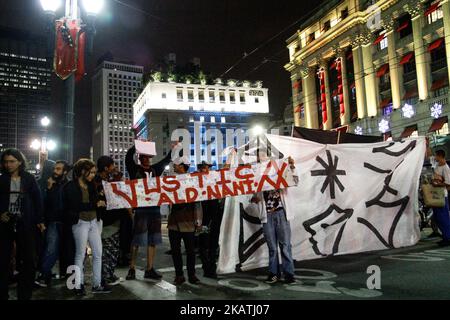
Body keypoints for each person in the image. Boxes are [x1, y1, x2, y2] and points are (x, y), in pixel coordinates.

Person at [245, 149, 297, 284]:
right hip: (267, 215)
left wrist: (292, 167)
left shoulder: (279, 169)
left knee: (285, 245)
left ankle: (289, 274)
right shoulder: (257, 176)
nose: (261, 159)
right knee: (272, 247)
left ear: (269, 157)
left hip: (281, 213)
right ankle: (274, 273)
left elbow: (295, 181)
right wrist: (254, 198)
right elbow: (253, 196)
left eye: (263, 156)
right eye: (258, 157)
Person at [0, 149, 45, 300]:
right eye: (6, 161)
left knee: (28, 260)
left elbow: (38, 200)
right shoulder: (1, 180)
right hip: (5, 225)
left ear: (20, 162)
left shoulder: (28, 179)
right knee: (3, 259)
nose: (8, 165)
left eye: (12, 161)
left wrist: (39, 220)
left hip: (25, 223)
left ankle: (24, 295)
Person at [125, 142, 173, 281]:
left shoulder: (155, 169)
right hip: (141, 209)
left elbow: (166, 160)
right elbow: (128, 157)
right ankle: (132, 268)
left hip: (154, 208)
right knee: (136, 240)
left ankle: (150, 268)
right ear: (139, 157)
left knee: (153, 239)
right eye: (144, 157)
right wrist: (137, 145)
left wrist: (174, 147)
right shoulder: (134, 169)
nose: (146, 159)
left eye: (148, 157)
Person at [63, 159, 111, 295]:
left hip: (94, 221)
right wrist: (95, 204)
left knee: (98, 254)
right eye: (91, 172)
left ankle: (97, 285)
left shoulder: (91, 185)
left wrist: (100, 199)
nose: (93, 175)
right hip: (80, 223)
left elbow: (94, 201)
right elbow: (75, 206)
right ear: (82, 171)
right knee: (80, 254)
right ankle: (78, 285)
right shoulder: (70, 186)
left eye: (94, 172)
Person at [35, 160, 71, 287]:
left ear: (65, 171)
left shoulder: (68, 185)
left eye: (58, 169)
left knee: (63, 249)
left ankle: (60, 274)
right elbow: (44, 204)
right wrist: (49, 189)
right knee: (51, 248)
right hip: (53, 221)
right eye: (55, 168)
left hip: (66, 222)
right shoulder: (50, 184)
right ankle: (44, 275)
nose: (55, 171)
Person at [168, 156, 202, 285]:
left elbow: (197, 202)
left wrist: (198, 220)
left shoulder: (192, 181)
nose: (174, 166)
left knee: (190, 251)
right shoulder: (171, 180)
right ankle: (179, 275)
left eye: (176, 165)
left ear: (182, 166)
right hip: (174, 223)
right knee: (176, 251)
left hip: (188, 222)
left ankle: (191, 275)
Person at [95, 156, 127, 286]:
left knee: (112, 249)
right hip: (106, 222)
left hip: (112, 221)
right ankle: (106, 276)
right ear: (106, 168)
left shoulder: (108, 180)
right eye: (112, 166)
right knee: (108, 250)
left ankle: (108, 274)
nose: (114, 168)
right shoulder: (98, 182)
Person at [197, 161, 223, 279]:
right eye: (204, 168)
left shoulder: (214, 184)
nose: (206, 170)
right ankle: (206, 268)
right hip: (204, 220)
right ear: (200, 170)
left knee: (213, 244)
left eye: (208, 168)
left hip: (215, 219)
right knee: (203, 244)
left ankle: (211, 268)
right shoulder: (197, 185)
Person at [430, 149, 450, 246]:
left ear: (440, 156)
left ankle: (448, 237)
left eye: (436, 156)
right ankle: (445, 236)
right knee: (438, 217)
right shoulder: (438, 166)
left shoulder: (446, 168)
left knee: (443, 217)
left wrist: (436, 185)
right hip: (436, 195)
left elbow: (448, 183)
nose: (435, 157)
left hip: (442, 195)